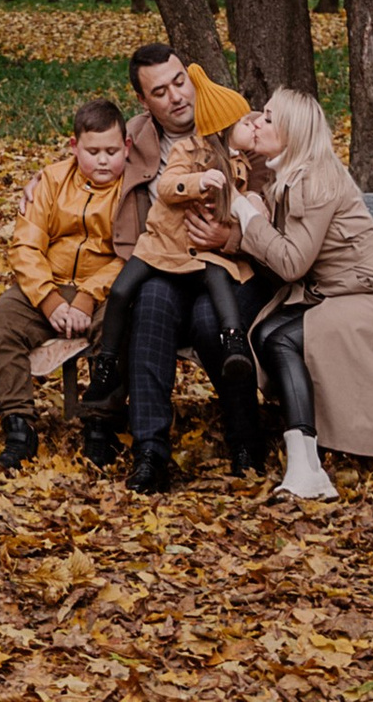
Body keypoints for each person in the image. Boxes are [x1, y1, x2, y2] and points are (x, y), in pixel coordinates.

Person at [199, 86, 373, 501]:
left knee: (282, 339)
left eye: (268, 118)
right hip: (346, 294)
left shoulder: (316, 178)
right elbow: (280, 251)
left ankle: (305, 467)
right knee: (265, 333)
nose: (257, 122)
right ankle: (306, 462)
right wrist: (243, 221)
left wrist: (246, 212)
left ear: (291, 132)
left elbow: (291, 263)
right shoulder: (290, 174)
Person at [77, 44, 254, 484]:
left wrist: (230, 239)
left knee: (209, 318)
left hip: (224, 264)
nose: (176, 97)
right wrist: (41, 182)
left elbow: (269, 193)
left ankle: (246, 441)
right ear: (143, 100)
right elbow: (86, 158)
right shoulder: (135, 137)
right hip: (165, 264)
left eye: (180, 83)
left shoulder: (233, 124)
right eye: (160, 92)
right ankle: (151, 453)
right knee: (151, 303)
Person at [0, 96, 134, 471]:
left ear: (127, 147)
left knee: (119, 325)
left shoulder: (132, 190)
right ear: (74, 146)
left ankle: (101, 423)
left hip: (103, 292)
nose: (103, 160)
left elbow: (130, 253)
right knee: (1, 317)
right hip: (48, 284)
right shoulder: (51, 180)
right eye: (93, 151)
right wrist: (49, 300)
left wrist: (86, 297)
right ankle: (18, 424)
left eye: (112, 151)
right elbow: (26, 245)